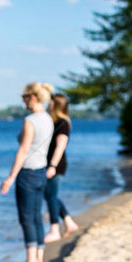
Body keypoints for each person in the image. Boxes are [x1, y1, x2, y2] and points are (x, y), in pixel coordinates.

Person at [0, 82, 54, 262]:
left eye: (24, 97)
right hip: (41, 171)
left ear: (32, 97)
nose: (23, 100)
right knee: (37, 216)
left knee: (27, 218)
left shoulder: (30, 120)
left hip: (28, 173)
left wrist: (10, 177)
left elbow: (23, 150)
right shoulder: (48, 118)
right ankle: (39, 260)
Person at [42, 93, 79, 243]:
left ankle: (54, 230)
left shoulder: (63, 123)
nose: (48, 104)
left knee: (51, 196)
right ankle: (69, 222)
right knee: (51, 195)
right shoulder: (54, 121)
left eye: (50, 102)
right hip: (50, 164)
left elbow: (60, 146)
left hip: (56, 165)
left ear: (56, 104)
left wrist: (52, 166)